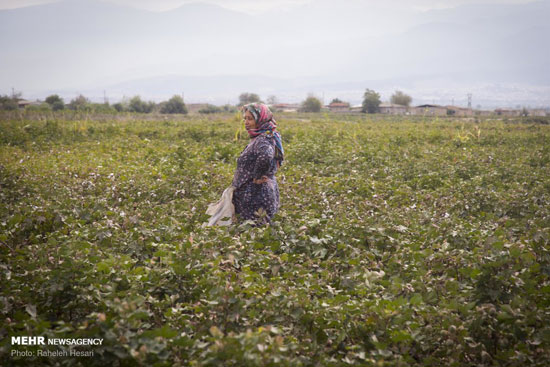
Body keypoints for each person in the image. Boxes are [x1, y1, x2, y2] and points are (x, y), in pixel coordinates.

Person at [231, 103, 284, 226]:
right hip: (254, 193)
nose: (246, 122)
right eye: (245, 118)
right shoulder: (263, 137)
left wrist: (257, 176)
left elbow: (266, 155)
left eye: (250, 119)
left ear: (261, 119)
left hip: (257, 195)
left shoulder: (263, 139)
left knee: (256, 230)